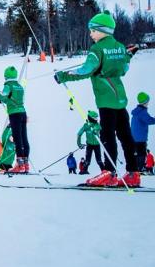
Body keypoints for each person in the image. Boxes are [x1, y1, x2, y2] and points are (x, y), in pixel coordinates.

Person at [55, 11, 139, 187]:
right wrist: (129, 54)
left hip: (105, 100)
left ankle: (109, 172)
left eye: (93, 30)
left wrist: (64, 75)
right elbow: (124, 67)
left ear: (103, 31)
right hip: (120, 99)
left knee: (107, 135)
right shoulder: (118, 46)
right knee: (125, 135)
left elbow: (86, 70)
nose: (91, 34)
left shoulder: (97, 49)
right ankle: (133, 172)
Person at [0, 66, 30, 173]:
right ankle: (25, 163)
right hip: (23, 112)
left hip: (14, 114)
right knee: (24, 137)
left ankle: (20, 165)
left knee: (17, 139)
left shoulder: (8, 85)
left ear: (6, 76)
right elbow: (11, 99)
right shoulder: (19, 86)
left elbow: (4, 97)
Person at [131, 92, 155, 172]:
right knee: (142, 154)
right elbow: (149, 120)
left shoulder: (136, 112)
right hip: (141, 138)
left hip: (134, 138)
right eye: (148, 101)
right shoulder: (142, 112)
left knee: (137, 153)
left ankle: (136, 168)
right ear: (145, 102)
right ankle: (140, 168)